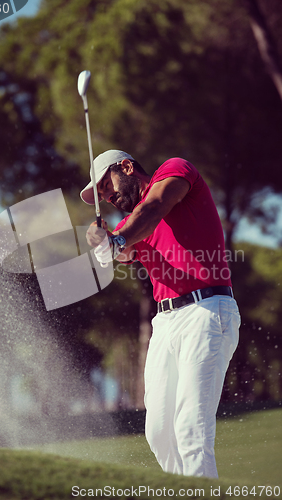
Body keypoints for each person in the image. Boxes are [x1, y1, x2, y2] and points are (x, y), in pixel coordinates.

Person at [80, 150, 241, 478]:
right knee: (158, 433)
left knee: (190, 430)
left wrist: (116, 240)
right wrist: (103, 241)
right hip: (166, 324)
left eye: (105, 185)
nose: (106, 196)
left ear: (126, 167)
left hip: (206, 311)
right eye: (100, 196)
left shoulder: (174, 171)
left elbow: (153, 209)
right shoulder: (131, 224)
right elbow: (122, 252)